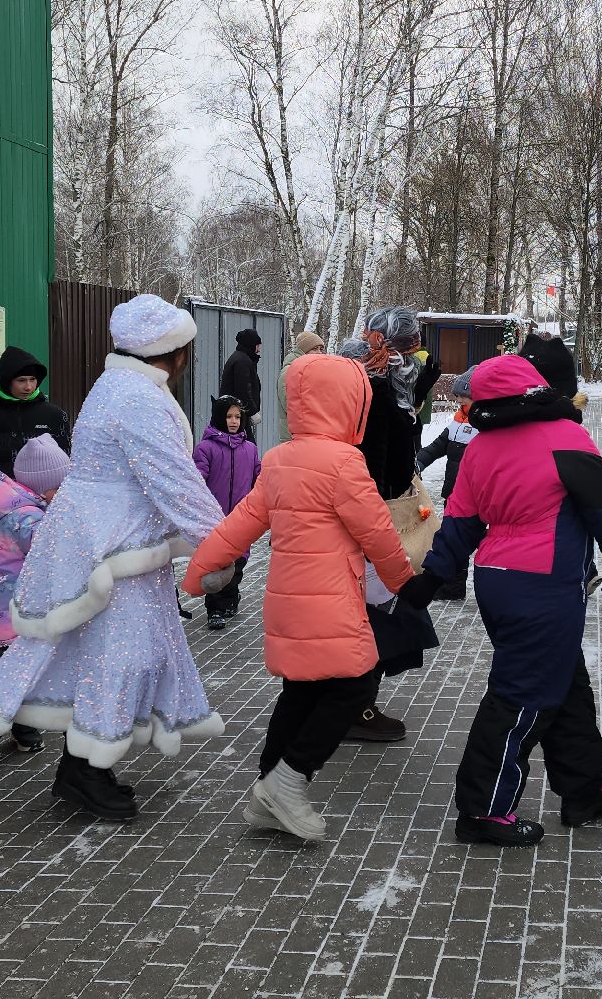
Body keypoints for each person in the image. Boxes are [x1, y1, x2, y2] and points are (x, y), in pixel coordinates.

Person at [0, 294, 227, 821]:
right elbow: (173, 479)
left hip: (109, 544)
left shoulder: (119, 385)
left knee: (90, 650)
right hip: (113, 551)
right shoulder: (137, 398)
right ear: (173, 351)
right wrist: (222, 541)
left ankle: (68, 757)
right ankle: (84, 769)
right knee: (121, 656)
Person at [396, 353, 602, 847]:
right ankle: (483, 810)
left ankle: (582, 789)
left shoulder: (480, 448)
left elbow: (461, 524)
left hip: (497, 579)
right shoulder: (565, 437)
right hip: (545, 583)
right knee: (522, 695)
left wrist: (432, 578)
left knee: (566, 683)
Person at [182, 354, 416, 841]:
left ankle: (268, 790)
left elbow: (242, 521)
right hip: (331, 602)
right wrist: (405, 582)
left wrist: (201, 568)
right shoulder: (344, 463)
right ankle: (287, 783)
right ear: (349, 405)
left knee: (302, 690)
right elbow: (377, 533)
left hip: (289, 603)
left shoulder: (279, 460)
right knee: (354, 685)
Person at [341, 307, 443, 742]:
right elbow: (383, 465)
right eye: (409, 347)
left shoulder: (373, 383)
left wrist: (416, 391)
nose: (413, 357)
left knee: (371, 614)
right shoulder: (377, 391)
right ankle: (355, 708)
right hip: (371, 514)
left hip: (363, 511)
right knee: (376, 616)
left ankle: (349, 703)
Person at [0, 434, 68, 759]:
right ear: (42, 487)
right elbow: (52, 559)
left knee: (23, 676)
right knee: (15, 679)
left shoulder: (7, 512)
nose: (63, 492)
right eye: (59, 486)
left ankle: (24, 730)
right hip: (19, 616)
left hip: (2, 614)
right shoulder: (28, 519)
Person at [0, 346, 71, 517]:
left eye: (33, 380)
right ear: (7, 381)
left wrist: (62, 500)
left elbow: (68, 463)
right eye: (21, 380)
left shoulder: (54, 416)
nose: (28, 387)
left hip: (46, 505)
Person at [194, 395, 262, 629]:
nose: (233, 421)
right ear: (218, 418)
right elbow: (198, 478)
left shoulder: (250, 449)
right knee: (216, 564)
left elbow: (259, 479)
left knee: (238, 562)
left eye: (237, 417)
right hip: (214, 517)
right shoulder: (206, 448)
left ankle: (231, 597)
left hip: (242, 518)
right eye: (228, 416)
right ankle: (215, 608)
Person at [415, 369, 478, 600]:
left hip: (476, 495)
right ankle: (452, 587)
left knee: (466, 539)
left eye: (463, 395)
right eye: (457, 395)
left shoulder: (486, 425)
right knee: (453, 540)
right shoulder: (458, 421)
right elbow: (437, 446)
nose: (458, 399)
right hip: (454, 493)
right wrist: (418, 462)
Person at [221, 328, 265, 440]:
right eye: (258, 345)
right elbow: (243, 390)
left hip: (236, 412)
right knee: (246, 446)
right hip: (237, 414)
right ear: (251, 345)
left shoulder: (240, 358)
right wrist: (252, 412)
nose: (259, 349)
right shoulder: (242, 362)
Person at [278, 330, 325, 427]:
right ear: (303, 351)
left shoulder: (312, 370)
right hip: (294, 430)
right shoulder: (290, 371)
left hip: (310, 428)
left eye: (321, 349)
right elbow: (290, 405)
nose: (319, 353)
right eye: (315, 349)